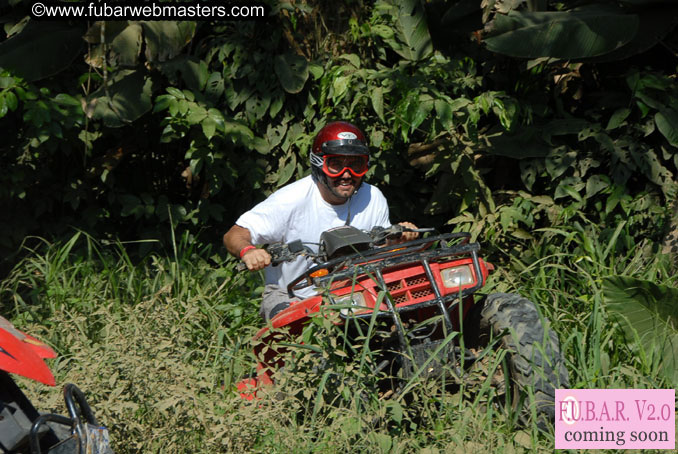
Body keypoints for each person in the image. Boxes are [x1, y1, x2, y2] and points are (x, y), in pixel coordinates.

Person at [223, 121, 418, 320]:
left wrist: (399, 239)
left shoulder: (372, 197)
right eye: (336, 165)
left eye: (356, 164)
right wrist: (249, 251)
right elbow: (235, 234)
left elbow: (382, 254)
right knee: (291, 332)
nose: (347, 174)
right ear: (318, 164)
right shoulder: (291, 199)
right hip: (293, 295)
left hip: (357, 292)